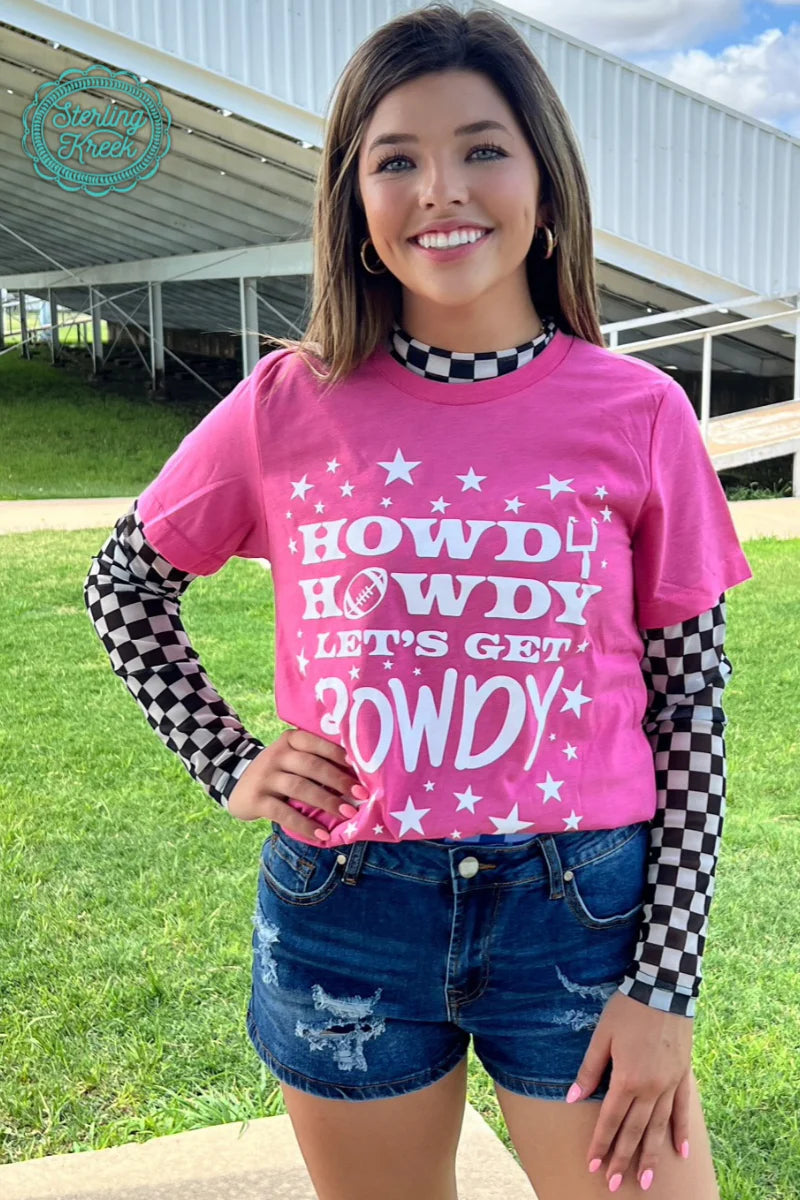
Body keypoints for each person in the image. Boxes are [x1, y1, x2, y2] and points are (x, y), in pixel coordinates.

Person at [83, 5, 754, 1198]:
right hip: (347, 913)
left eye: (482, 148)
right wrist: (228, 757)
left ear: (544, 183)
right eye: (395, 159)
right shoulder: (289, 401)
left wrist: (663, 988)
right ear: (354, 201)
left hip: (582, 919)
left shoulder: (639, 411)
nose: (440, 190)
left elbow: (690, 710)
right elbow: (124, 585)